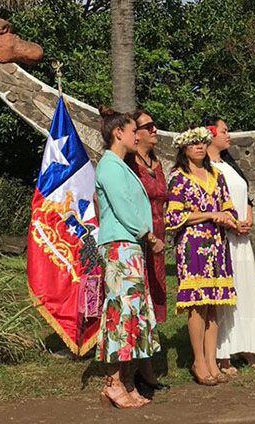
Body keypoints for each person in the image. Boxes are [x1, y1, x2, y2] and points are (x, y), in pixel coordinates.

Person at [94, 108, 161, 409]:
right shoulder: (109, 165)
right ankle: (113, 382)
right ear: (118, 132)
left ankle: (127, 379)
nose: (138, 136)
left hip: (130, 247)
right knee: (120, 314)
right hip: (121, 245)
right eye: (134, 130)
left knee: (133, 314)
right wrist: (147, 234)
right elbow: (122, 207)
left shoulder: (120, 166)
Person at [165, 127, 238, 386]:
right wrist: (209, 215)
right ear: (184, 149)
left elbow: (229, 207)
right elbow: (172, 217)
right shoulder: (178, 177)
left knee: (213, 305)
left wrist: (230, 219)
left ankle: (212, 359)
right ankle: (198, 360)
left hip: (218, 243)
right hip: (193, 245)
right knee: (197, 303)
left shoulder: (216, 175)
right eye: (193, 143)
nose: (198, 147)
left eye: (202, 143)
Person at [202, 117, 255, 373]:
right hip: (222, 238)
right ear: (210, 134)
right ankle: (224, 352)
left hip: (242, 238)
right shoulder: (206, 168)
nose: (228, 135)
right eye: (224, 130)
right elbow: (210, 203)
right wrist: (231, 223)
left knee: (246, 291)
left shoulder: (229, 165)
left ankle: (250, 347)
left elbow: (246, 196)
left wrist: (249, 215)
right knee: (226, 296)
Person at [126, 110, 168, 326]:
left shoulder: (157, 164)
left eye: (155, 125)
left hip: (159, 235)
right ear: (137, 133)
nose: (154, 130)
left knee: (155, 286)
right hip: (139, 236)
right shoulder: (129, 165)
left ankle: (152, 343)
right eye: (148, 127)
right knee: (138, 289)